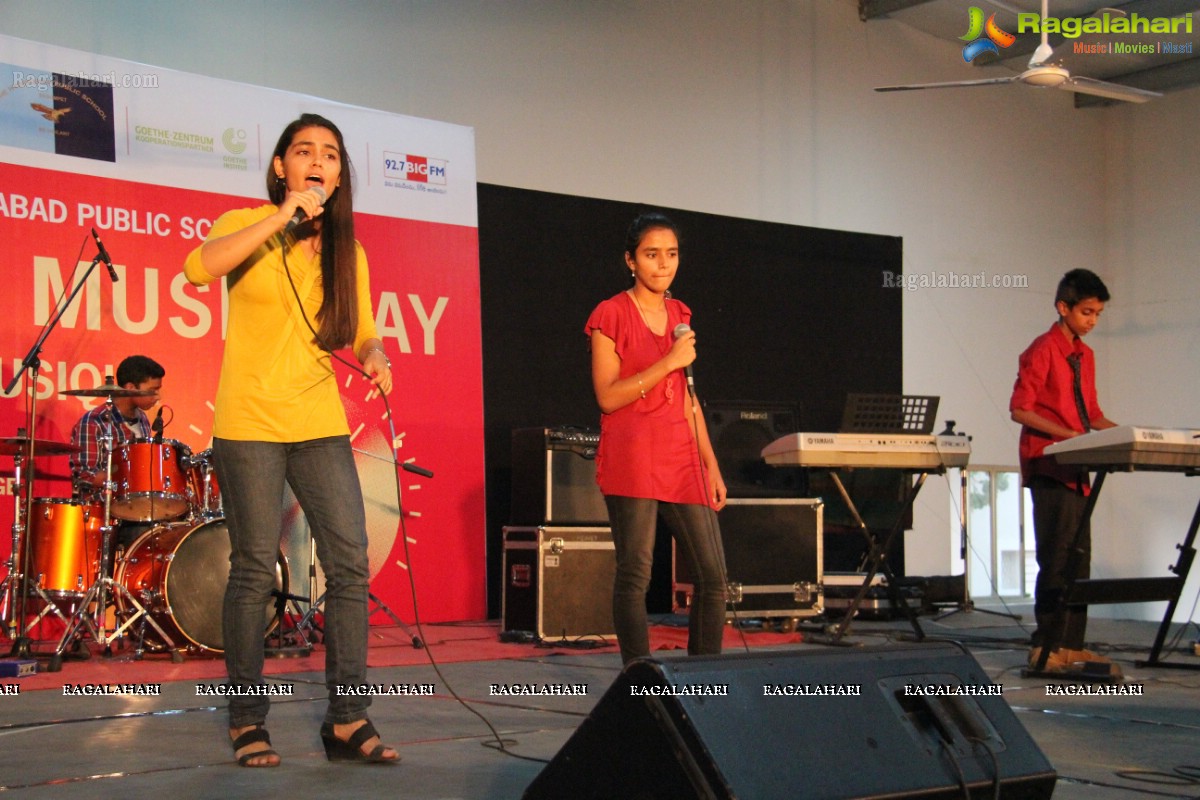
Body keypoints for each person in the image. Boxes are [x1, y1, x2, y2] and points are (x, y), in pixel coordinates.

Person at [183, 113, 397, 767]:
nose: (316, 161)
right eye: (303, 152)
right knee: (253, 569)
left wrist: (375, 352)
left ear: (339, 175)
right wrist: (284, 217)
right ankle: (247, 719)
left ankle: (347, 718)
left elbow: (358, 328)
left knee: (350, 565)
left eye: (329, 155)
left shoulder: (346, 251)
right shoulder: (243, 225)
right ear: (282, 168)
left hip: (319, 423)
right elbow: (197, 267)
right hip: (249, 424)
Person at [585, 212, 728, 665]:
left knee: (713, 577)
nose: (663, 264)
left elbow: (689, 398)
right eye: (651, 255)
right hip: (634, 453)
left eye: (671, 254)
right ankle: (640, 679)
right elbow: (608, 397)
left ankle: (705, 683)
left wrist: (711, 462)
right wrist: (666, 362)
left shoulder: (680, 314)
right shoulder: (611, 314)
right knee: (636, 574)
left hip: (681, 454)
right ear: (631, 260)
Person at [1010, 268, 1119, 677]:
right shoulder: (1042, 349)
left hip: (1077, 468)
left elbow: (1092, 415)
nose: (1092, 321)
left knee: (1078, 559)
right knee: (1055, 557)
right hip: (1050, 467)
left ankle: (1072, 645)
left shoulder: (1085, 356)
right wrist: (1071, 436)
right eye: (1087, 312)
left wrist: (1131, 434)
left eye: (1097, 314)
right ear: (1063, 307)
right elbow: (1021, 408)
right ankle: (1047, 644)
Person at [69, 354, 165, 500]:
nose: (157, 397)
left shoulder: (143, 419)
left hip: (137, 507)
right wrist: (128, 475)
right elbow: (84, 475)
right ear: (131, 388)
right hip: (103, 510)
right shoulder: (94, 421)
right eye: (152, 390)